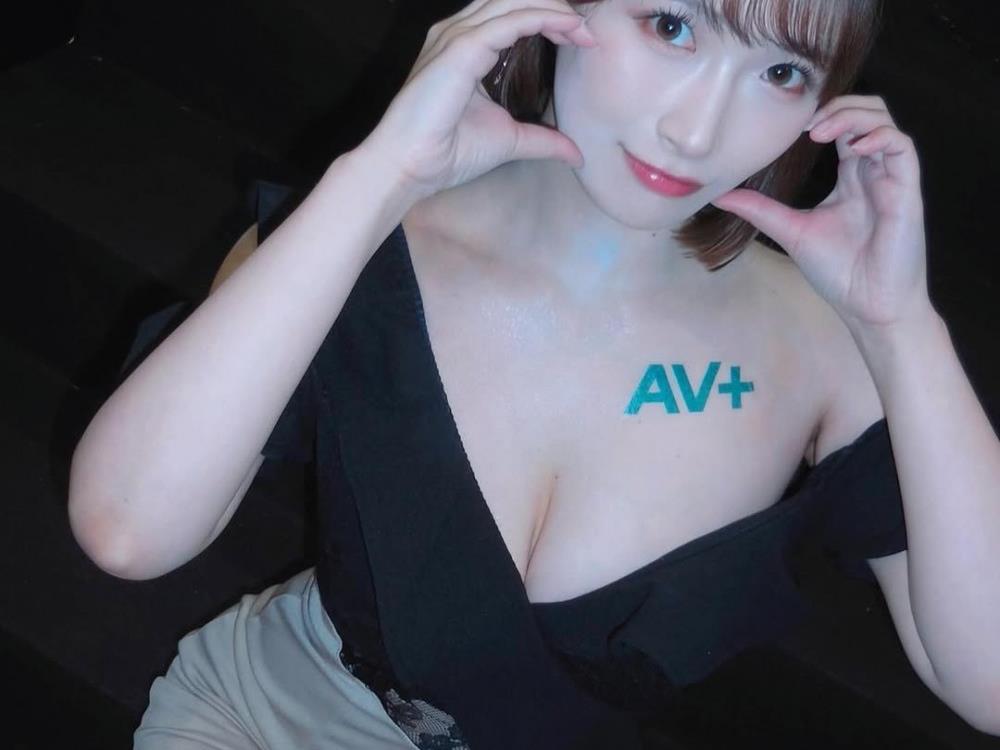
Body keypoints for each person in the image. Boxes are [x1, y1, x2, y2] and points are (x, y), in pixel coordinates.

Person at [67, 0, 1000, 747]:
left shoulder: (828, 350)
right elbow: (127, 532)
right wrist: (379, 177)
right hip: (259, 718)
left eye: (781, 73)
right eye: (671, 26)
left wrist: (902, 329)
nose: (698, 129)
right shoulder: (359, 240)